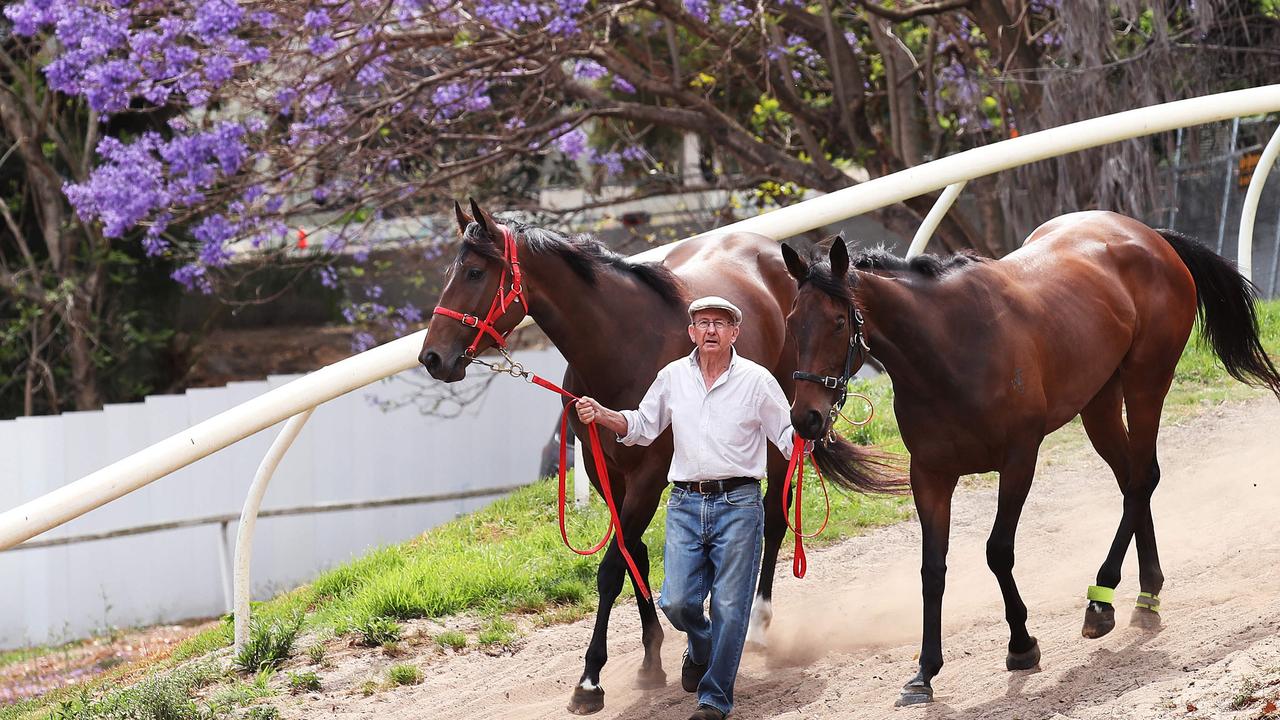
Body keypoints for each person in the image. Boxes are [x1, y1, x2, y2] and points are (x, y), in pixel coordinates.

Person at [576, 296, 794, 720]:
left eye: (721, 323)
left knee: (731, 608)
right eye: (703, 323)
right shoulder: (672, 377)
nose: (711, 330)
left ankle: (714, 699)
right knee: (676, 603)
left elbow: (786, 436)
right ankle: (702, 644)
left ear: (735, 333)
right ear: (691, 333)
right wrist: (604, 415)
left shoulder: (758, 380)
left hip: (740, 504)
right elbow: (642, 427)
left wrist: (808, 435)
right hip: (685, 504)